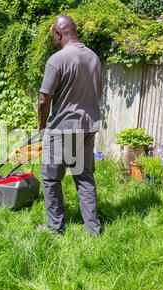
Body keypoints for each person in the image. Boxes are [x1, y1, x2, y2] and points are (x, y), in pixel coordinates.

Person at [36, 15, 103, 237]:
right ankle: (93, 230)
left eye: (53, 36)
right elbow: (98, 93)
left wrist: (42, 125)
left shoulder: (57, 59)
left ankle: (56, 228)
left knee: (51, 178)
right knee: (84, 177)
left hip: (63, 130)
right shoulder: (94, 58)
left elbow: (44, 99)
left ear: (58, 34)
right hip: (87, 127)